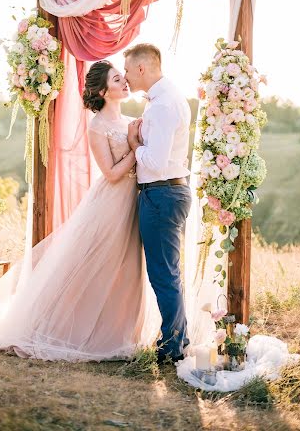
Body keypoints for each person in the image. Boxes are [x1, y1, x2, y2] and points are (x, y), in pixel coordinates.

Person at [0, 60, 160, 361]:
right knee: (97, 268)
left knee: (128, 269)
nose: (124, 82)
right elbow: (112, 173)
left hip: (134, 201)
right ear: (103, 91)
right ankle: (74, 331)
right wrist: (132, 146)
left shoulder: (128, 120)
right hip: (111, 203)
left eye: (122, 78)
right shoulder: (97, 126)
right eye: (117, 80)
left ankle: (120, 333)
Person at [124, 43, 192, 364]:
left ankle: (173, 346)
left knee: (163, 274)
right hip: (166, 192)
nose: (124, 76)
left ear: (141, 68)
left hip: (162, 193)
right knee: (169, 272)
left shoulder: (164, 105)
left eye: (126, 70)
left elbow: (156, 161)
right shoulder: (163, 100)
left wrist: (135, 144)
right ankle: (178, 337)